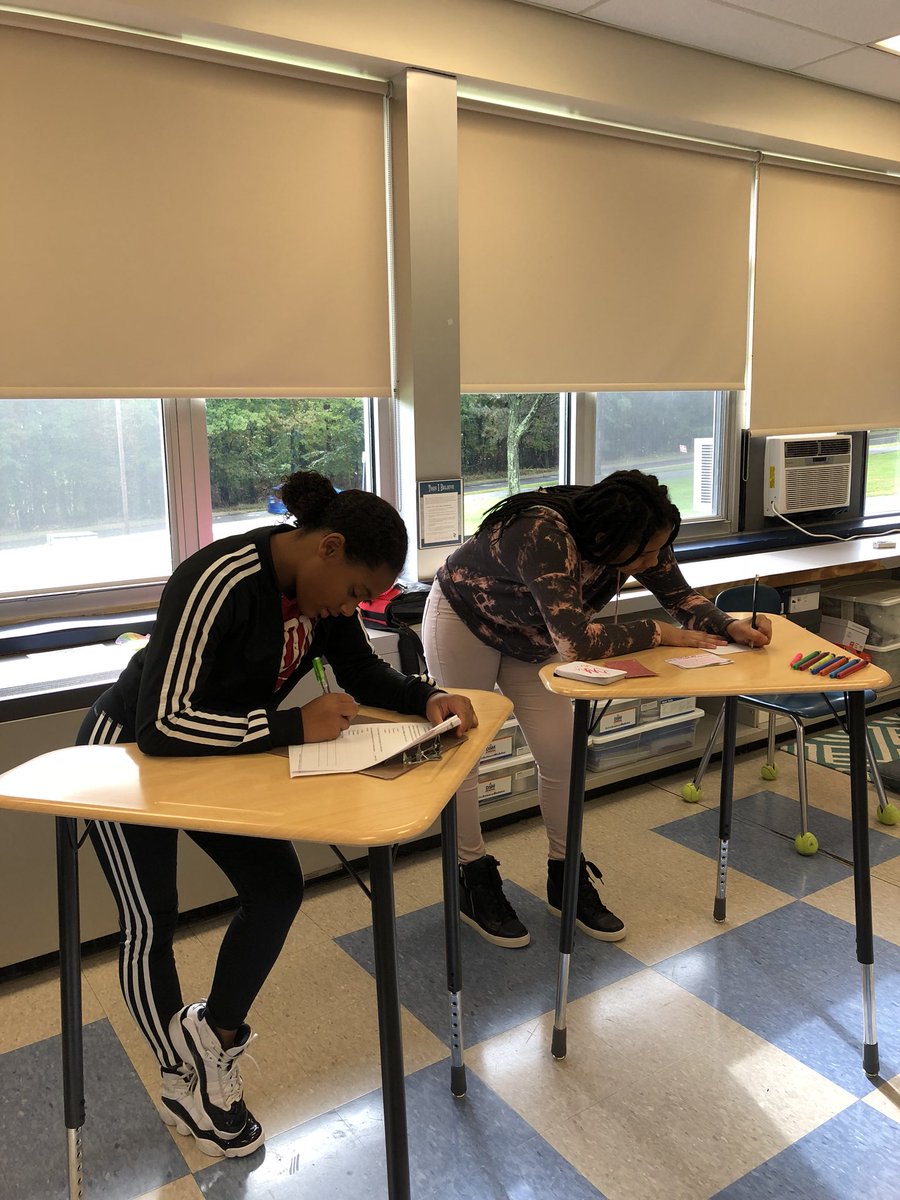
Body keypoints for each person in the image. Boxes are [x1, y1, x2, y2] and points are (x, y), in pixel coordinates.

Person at [77, 471, 475, 1158]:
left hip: (217, 755)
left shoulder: (323, 598)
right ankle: (182, 1083)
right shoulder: (220, 579)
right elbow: (162, 724)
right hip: (129, 758)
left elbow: (360, 671)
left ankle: (216, 1038)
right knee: (152, 919)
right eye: (355, 591)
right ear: (328, 547)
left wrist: (424, 697)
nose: (351, 606)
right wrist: (292, 726)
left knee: (276, 886)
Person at [422, 470, 771, 949]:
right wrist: (658, 633)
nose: (652, 562)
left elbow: (678, 595)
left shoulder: (636, 532)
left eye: (657, 551)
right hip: (464, 618)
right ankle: (473, 876)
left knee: (561, 754)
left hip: (532, 635)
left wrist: (730, 627)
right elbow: (576, 645)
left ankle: (565, 875)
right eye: (645, 554)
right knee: (465, 757)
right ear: (609, 539)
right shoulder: (542, 532)